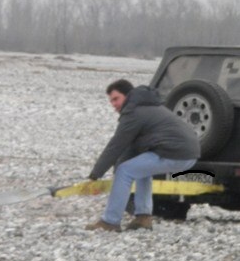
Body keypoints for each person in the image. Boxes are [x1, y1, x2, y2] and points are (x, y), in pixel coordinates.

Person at [85, 79, 200, 232]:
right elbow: (129, 148)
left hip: (174, 152)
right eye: (111, 101)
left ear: (127, 96)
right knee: (140, 170)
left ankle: (110, 221)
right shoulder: (148, 107)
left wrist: (95, 174)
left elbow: (116, 145)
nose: (113, 104)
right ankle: (143, 217)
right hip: (189, 154)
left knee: (125, 171)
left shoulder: (134, 112)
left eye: (115, 99)